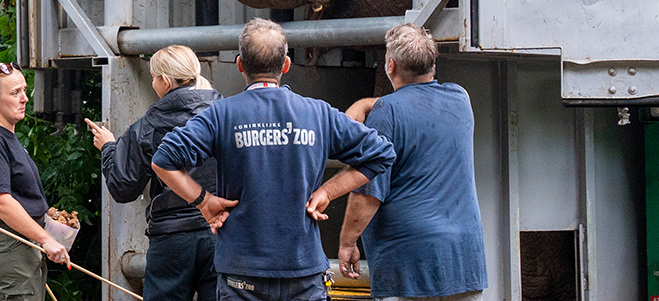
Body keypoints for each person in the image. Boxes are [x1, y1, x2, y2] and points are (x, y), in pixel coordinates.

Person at [151, 18, 396, 301]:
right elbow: (381, 154)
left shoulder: (221, 114)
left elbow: (163, 160)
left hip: (242, 274)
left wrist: (204, 201)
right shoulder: (317, 113)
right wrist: (328, 191)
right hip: (302, 271)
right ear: (286, 65)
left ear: (240, 64)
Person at [333, 23, 488, 300]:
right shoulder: (460, 98)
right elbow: (418, 100)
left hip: (409, 266)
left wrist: (347, 242)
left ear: (390, 66)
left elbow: (368, 191)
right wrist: (372, 104)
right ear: (432, 64)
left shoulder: (387, 113)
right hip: (463, 260)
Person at [86, 45, 223, 301]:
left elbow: (123, 186)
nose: (152, 82)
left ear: (166, 81)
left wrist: (108, 148)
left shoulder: (149, 125)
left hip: (172, 237)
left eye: (153, 77)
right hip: (220, 232)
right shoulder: (224, 114)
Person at [0, 61, 70, 301]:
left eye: (24, 90)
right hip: (7, 243)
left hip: (23, 242)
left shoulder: (6, 134)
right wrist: (45, 239)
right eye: (14, 93)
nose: (24, 98)